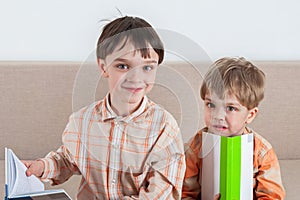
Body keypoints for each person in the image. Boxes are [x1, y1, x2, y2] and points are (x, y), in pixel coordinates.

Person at [23, 16, 186, 199]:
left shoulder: (164, 127)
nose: (136, 78)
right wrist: (43, 167)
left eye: (147, 68)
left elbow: (161, 192)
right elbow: (67, 160)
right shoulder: (82, 121)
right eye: (123, 66)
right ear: (103, 67)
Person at [182, 57, 285, 199]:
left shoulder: (261, 152)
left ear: (250, 115)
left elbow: (272, 195)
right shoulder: (195, 147)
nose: (218, 116)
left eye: (230, 108)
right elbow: (184, 193)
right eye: (211, 105)